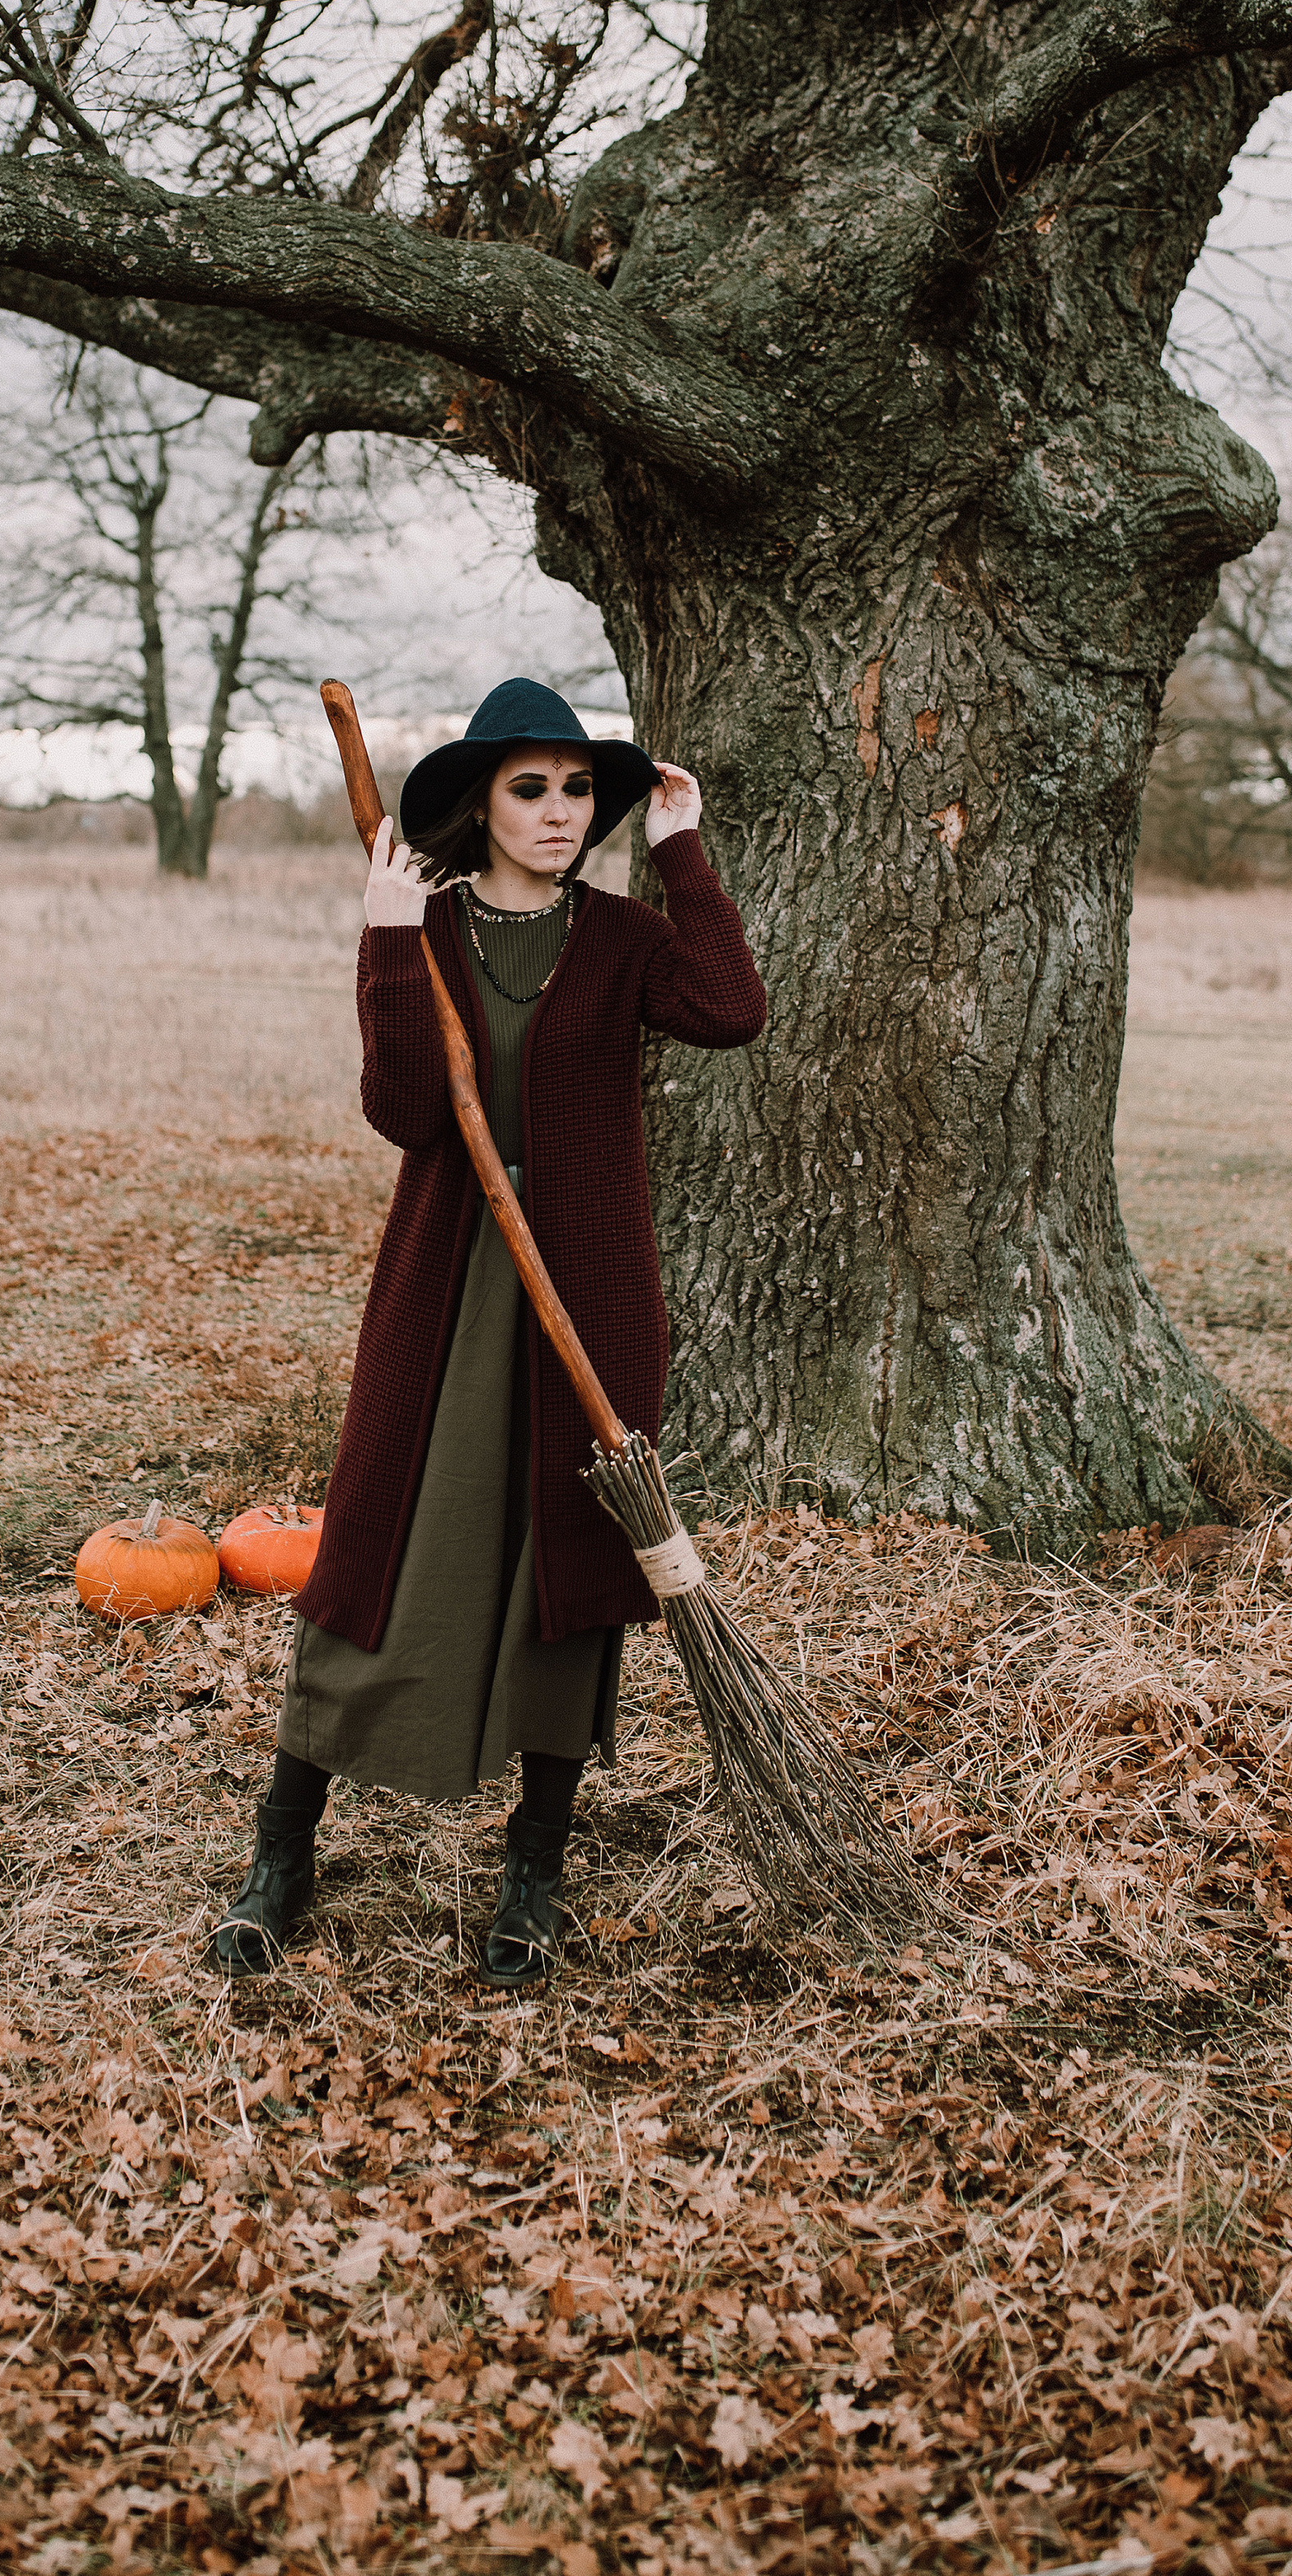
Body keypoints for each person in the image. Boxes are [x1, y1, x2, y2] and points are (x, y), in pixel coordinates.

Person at [208, 677, 767, 1985]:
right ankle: (283, 1850)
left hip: (587, 1304)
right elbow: (406, 1110)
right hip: (449, 1295)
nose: (560, 812)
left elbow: (733, 1011)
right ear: (479, 803)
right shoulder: (431, 927)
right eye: (532, 788)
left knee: (566, 1575)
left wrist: (681, 848)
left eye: (580, 790)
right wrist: (386, 942)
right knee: (379, 1559)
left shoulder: (625, 939)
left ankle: (536, 1872)